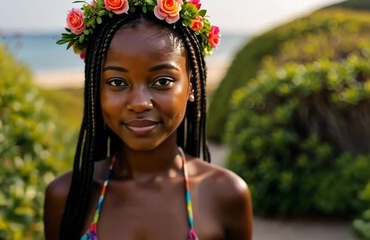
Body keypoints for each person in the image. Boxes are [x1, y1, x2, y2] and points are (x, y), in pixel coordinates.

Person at [44, 0, 253, 239]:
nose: (140, 102)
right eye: (117, 82)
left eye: (162, 81)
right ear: (95, 89)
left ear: (192, 85)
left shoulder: (225, 194)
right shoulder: (67, 195)